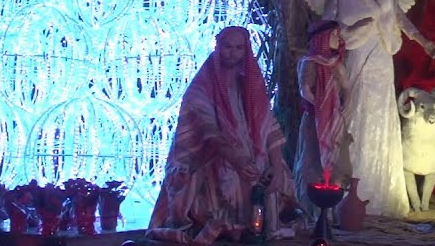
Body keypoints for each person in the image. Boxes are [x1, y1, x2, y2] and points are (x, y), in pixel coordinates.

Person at [149, 27, 293, 243]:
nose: (233, 53)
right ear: (218, 47)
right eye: (227, 47)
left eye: (239, 48)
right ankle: (228, 225)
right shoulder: (202, 86)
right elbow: (209, 131)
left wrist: (276, 166)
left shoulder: (248, 83)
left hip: (249, 152)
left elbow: (267, 124)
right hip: (211, 156)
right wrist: (236, 158)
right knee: (228, 177)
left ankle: (261, 225)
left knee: (273, 171)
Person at [333, 0, 435, 218]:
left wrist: (423, 41)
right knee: (358, 111)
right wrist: (351, 30)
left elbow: (399, 17)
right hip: (360, 50)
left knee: (381, 116)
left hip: (382, 54)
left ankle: (380, 192)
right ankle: (351, 190)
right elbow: (333, 23)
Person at [294, 20, 350, 221]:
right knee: (312, 161)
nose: (338, 39)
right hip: (314, 121)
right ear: (323, 38)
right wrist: (321, 105)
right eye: (334, 35)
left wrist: (338, 104)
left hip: (333, 120)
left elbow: (345, 86)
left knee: (335, 164)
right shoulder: (309, 62)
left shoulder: (336, 63)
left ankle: (333, 209)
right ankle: (313, 211)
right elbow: (305, 89)